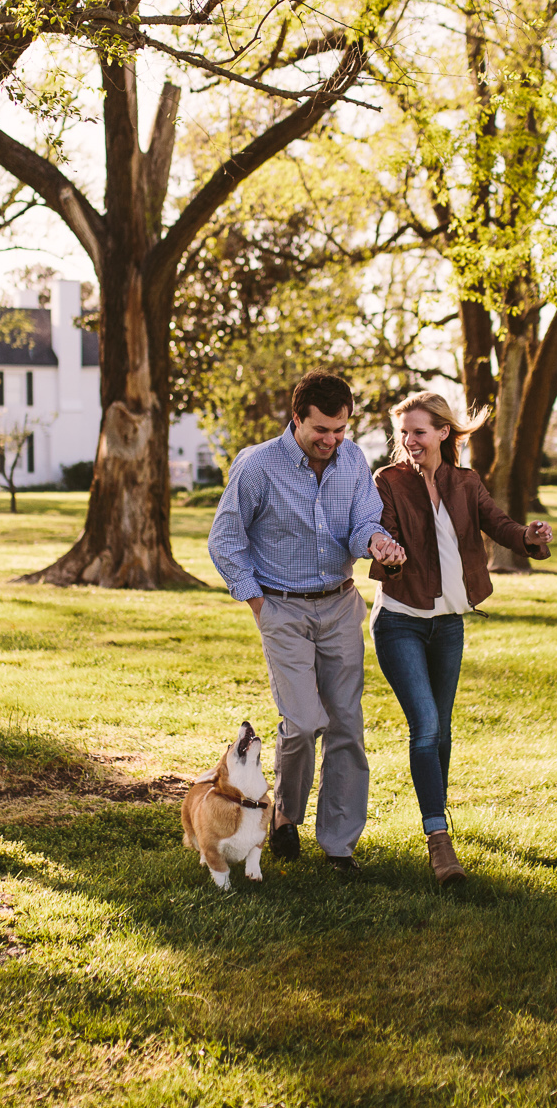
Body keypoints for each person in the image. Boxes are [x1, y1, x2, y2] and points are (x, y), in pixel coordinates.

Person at [208, 370, 408, 872]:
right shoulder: (258, 467)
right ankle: (285, 815)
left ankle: (339, 845)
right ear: (296, 418)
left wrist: (376, 543)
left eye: (340, 430)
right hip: (282, 606)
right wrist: (258, 604)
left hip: (340, 603)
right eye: (321, 430)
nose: (331, 440)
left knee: (346, 725)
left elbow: (364, 521)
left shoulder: (353, 460)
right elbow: (225, 539)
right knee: (301, 725)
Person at [369, 391, 552, 885]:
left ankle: (437, 816)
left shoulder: (466, 482)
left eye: (419, 431)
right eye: (403, 432)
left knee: (442, 732)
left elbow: (499, 524)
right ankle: (438, 840)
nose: (409, 441)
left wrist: (530, 538)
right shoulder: (388, 481)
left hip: (448, 624)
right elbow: (381, 529)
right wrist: (386, 551)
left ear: (444, 432)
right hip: (400, 620)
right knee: (425, 726)